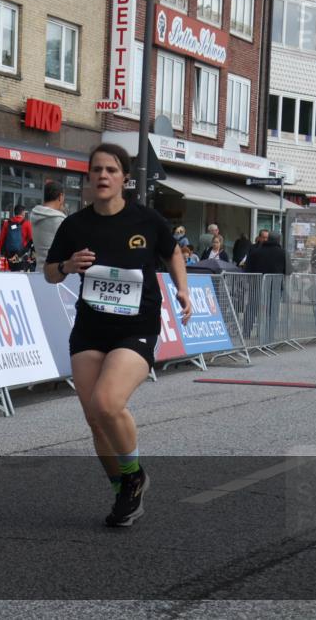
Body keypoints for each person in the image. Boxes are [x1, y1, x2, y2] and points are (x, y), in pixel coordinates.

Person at [44, 143, 191, 527]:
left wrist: (183, 289)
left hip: (136, 326)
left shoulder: (146, 220)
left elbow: (173, 252)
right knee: (94, 417)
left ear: (125, 178)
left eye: (111, 170)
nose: (103, 176)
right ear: (89, 177)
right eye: (97, 170)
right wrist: (67, 264)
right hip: (90, 328)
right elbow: (49, 272)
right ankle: (123, 491)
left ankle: (134, 474)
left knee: (108, 402)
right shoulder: (75, 225)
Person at [242, 231, 289, 343]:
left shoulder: (256, 252)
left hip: (257, 284)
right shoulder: (283, 253)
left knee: (252, 308)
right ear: (278, 240)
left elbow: (247, 268)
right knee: (272, 312)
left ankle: (246, 332)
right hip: (275, 286)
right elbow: (289, 270)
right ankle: (269, 336)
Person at [31, 181, 68, 270]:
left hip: (39, 270)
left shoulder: (35, 215)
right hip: (55, 274)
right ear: (61, 197)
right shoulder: (60, 220)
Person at [0, 204, 33, 272]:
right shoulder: (27, 224)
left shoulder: (7, 223)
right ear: (23, 213)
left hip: (10, 254)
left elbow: (1, 239)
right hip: (21, 254)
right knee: (21, 274)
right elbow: (32, 239)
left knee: (13, 272)